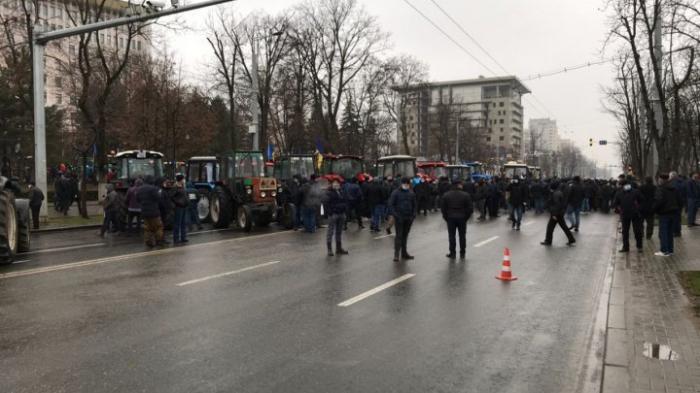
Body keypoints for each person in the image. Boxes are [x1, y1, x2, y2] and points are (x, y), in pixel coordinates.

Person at [440, 180, 474, 259]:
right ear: (458, 185)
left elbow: (443, 208)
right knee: (462, 236)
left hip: (450, 218)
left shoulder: (446, 195)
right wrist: (466, 217)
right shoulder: (465, 195)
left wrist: (446, 217)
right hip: (462, 217)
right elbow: (470, 208)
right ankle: (462, 252)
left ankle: (452, 253)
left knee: (451, 236)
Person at [388, 178, 416, 262]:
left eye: (408, 184)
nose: (406, 185)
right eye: (405, 183)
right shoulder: (395, 193)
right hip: (399, 217)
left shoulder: (411, 193)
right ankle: (396, 254)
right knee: (399, 236)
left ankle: (404, 253)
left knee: (405, 236)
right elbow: (391, 205)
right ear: (401, 184)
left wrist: (413, 216)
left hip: (408, 218)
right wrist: (396, 216)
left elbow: (414, 205)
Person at [654, 173, 682, 257]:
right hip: (673, 213)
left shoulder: (660, 189)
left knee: (663, 233)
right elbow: (680, 200)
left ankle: (664, 250)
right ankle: (670, 250)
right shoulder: (674, 188)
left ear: (662, 180)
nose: (658, 181)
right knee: (669, 232)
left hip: (664, 213)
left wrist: (655, 210)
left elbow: (659, 201)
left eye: (659, 179)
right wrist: (678, 210)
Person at [541, 182, 576, 246]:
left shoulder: (555, 194)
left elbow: (556, 205)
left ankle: (548, 241)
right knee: (564, 227)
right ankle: (571, 239)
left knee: (550, 228)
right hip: (560, 213)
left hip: (556, 213)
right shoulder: (558, 192)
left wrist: (554, 214)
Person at [613, 180, 644, 252]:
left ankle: (628, 247)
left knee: (629, 231)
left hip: (631, 214)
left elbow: (615, 203)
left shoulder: (633, 192)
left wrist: (638, 209)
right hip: (629, 214)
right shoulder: (635, 191)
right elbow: (616, 203)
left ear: (621, 185)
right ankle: (637, 247)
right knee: (632, 231)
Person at [137, 176, 165, 247]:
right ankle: (159, 241)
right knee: (158, 227)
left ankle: (148, 242)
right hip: (154, 212)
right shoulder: (154, 189)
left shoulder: (140, 189)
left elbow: (137, 199)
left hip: (144, 212)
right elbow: (158, 198)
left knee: (147, 228)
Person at [325, 179, 349, 256]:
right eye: (334, 183)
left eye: (337, 183)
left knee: (339, 232)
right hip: (333, 214)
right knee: (330, 232)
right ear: (331, 184)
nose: (336, 184)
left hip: (341, 213)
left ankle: (338, 248)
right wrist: (330, 213)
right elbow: (326, 204)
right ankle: (329, 249)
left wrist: (345, 209)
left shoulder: (341, 192)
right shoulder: (329, 193)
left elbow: (346, 201)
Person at [171, 175, 189, 244]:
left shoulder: (182, 186)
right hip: (178, 207)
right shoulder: (175, 187)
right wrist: (178, 202)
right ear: (180, 179)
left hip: (184, 206)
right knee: (177, 223)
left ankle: (183, 237)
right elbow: (172, 196)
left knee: (183, 223)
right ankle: (176, 239)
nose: (184, 180)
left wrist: (187, 201)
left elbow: (185, 195)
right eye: (183, 179)